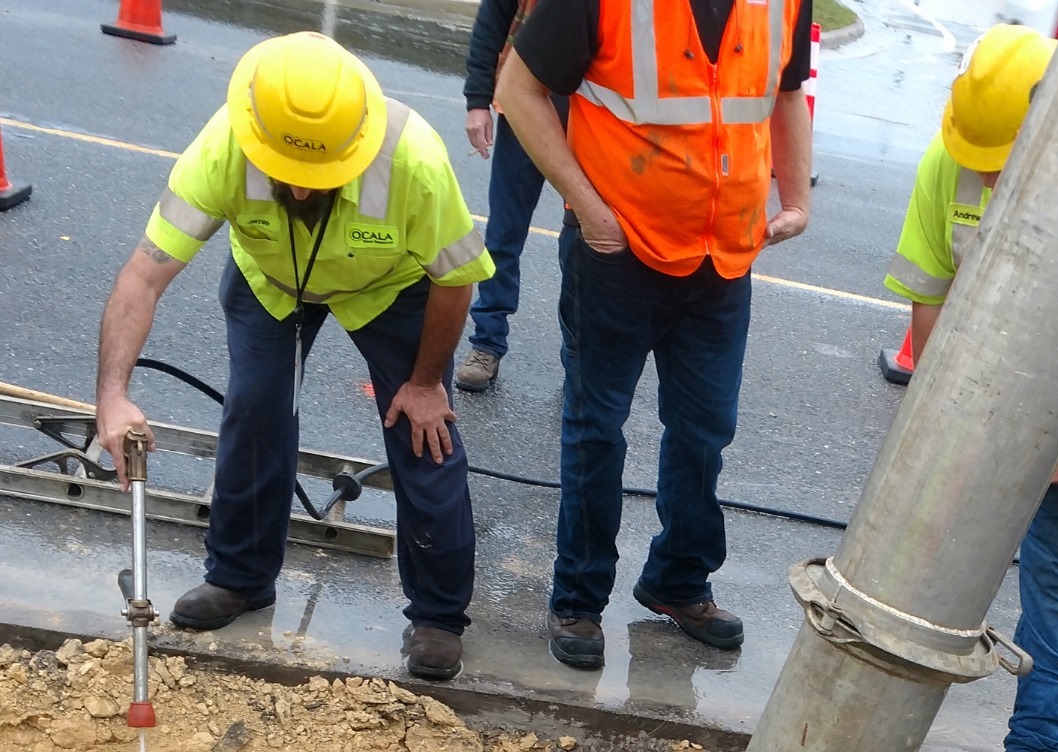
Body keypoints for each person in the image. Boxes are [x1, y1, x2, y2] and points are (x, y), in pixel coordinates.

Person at [95, 31, 494, 682]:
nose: (303, 193)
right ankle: (240, 578)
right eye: (289, 175)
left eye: (322, 178)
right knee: (256, 409)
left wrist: (426, 382)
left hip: (388, 287)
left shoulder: (412, 158)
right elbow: (142, 277)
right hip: (272, 281)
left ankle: (439, 617)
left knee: (424, 430)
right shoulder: (225, 145)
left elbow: (456, 278)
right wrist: (111, 394)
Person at [496, 0, 814, 669]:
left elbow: (786, 91)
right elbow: (517, 90)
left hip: (723, 257)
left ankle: (678, 581)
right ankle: (578, 599)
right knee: (596, 428)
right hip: (619, 252)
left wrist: (797, 199)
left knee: (705, 430)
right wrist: (589, 209)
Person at [882, 24, 1058, 751]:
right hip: (996, 408)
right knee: (919, 571)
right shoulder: (949, 163)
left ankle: (1039, 744)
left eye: (1003, 162)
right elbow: (930, 302)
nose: (987, 178)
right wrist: (944, 437)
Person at [455, 0, 568, 392]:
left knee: (588, 241)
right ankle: (486, 343)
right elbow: (491, 23)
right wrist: (477, 102)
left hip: (592, 113)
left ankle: (583, 356)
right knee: (504, 234)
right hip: (525, 102)